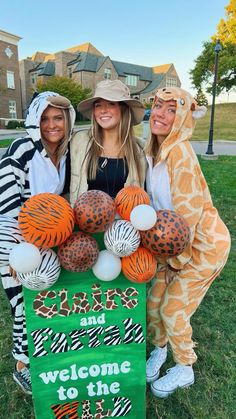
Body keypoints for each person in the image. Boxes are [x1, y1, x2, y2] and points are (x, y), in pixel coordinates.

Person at [145, 87, 231, 398]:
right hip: (170, 246)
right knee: (153, 303)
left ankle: (185, 367)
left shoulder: (179, 153)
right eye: (158, 106)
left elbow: (189, 214)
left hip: (204, 246)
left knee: (173, 309)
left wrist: (174, 262)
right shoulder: (153, 150)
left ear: (182, 119)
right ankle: (160, 348)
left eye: (171, 110)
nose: (161, 114)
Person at [0, 91, 76, 394]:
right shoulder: (21, 151)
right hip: (15, 239)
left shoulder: (65, 153)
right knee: (22, 303)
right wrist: (15, 256)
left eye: (58, 118)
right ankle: (23, 364)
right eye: (44, 118)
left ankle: (44, 352)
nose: (51, 125)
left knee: (44, 298)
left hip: (47, 239)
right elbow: (7, 207)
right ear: (34, 120)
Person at [70, 79, 147, 205]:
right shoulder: (78, 141)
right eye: (98, 105)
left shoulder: (140, 150)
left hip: (123, 223)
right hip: (83, 222)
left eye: (111, 103)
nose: (103, 110)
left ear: (123, 109)